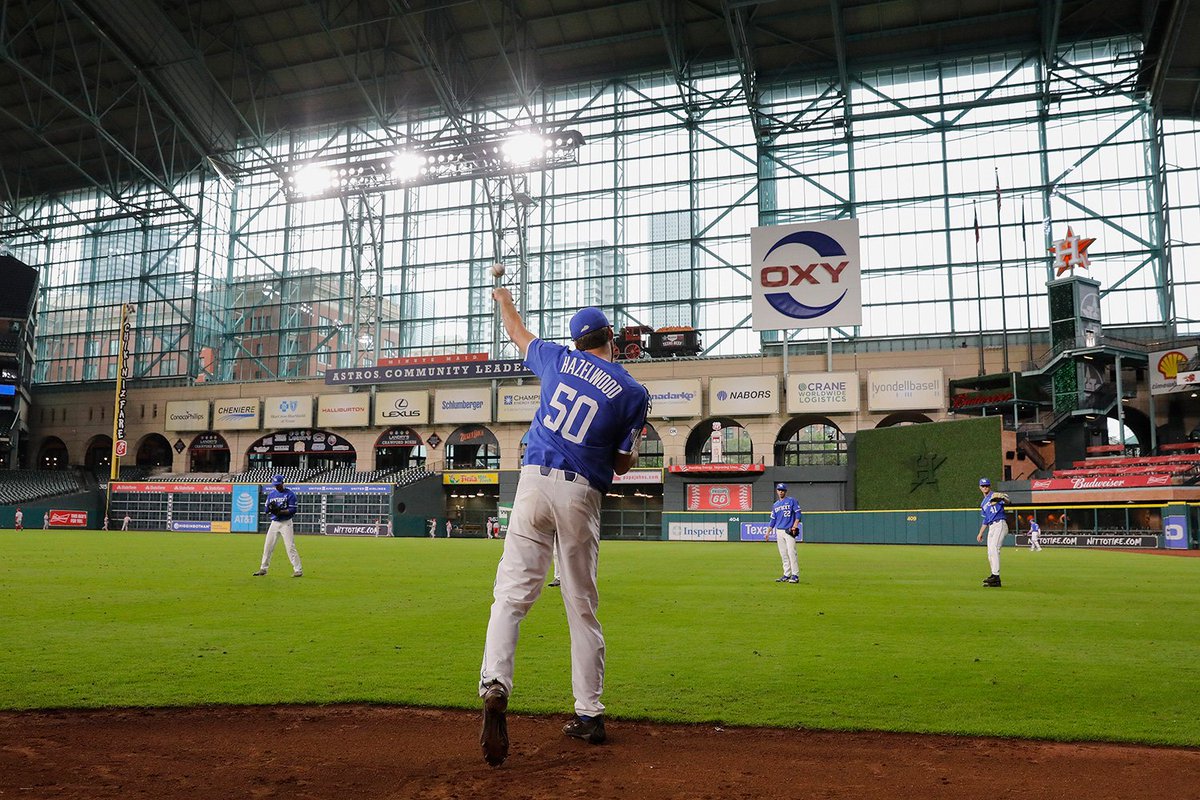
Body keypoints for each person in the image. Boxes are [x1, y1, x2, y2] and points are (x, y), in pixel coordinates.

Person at [478, 291, 650, 767]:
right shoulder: (633, 392)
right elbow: (620, 463)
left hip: (531, 482)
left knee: (511, 597)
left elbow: (515, 331)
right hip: (580, 494)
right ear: (611, 338)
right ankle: (589, 715)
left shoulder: (556, 358)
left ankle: (495, 683)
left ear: (577, 341)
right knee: (581, 608)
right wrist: (631, 451)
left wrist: (503, 297)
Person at [252, 475, 303, 578]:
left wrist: (280, 511)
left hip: (286, 523)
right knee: (268, 546)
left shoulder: (290, 494)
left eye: (278, 485)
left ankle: (298, 570)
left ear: (282, 483)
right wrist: (270, 508)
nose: (277, 487)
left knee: (290, 547)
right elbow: (266, 510)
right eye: (275, 485)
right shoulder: (272, 494)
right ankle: (263, 569)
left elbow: (293, 510)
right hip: (274, 523)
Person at [976, 478, 1009, 587]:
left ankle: (996, 576)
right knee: (990, 552)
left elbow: (1008, 501)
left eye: (987, 485)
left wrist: (1003, 498)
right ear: (980, 487)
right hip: (991, 526)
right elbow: (985, 519)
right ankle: (994, 578)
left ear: (989, 486)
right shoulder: (983, 503)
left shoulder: (995, 495)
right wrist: (980, 533)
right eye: (983, 486)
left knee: (994, 548)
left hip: (1000, 523)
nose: (985, 487)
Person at [769, 483, 802, 583]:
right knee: (783, 554)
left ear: (785, 491)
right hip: (779, 531)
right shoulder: (775, 505)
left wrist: (795, 524)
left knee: (791, 552)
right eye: (779, 490)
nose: (780, 491)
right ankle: (786, 574)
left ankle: (795, 575)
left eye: (782, 490)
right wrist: (768, 531)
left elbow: (798, 513)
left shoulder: (792, 500)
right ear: (777, 491)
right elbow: (773, 519)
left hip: (789, 530)